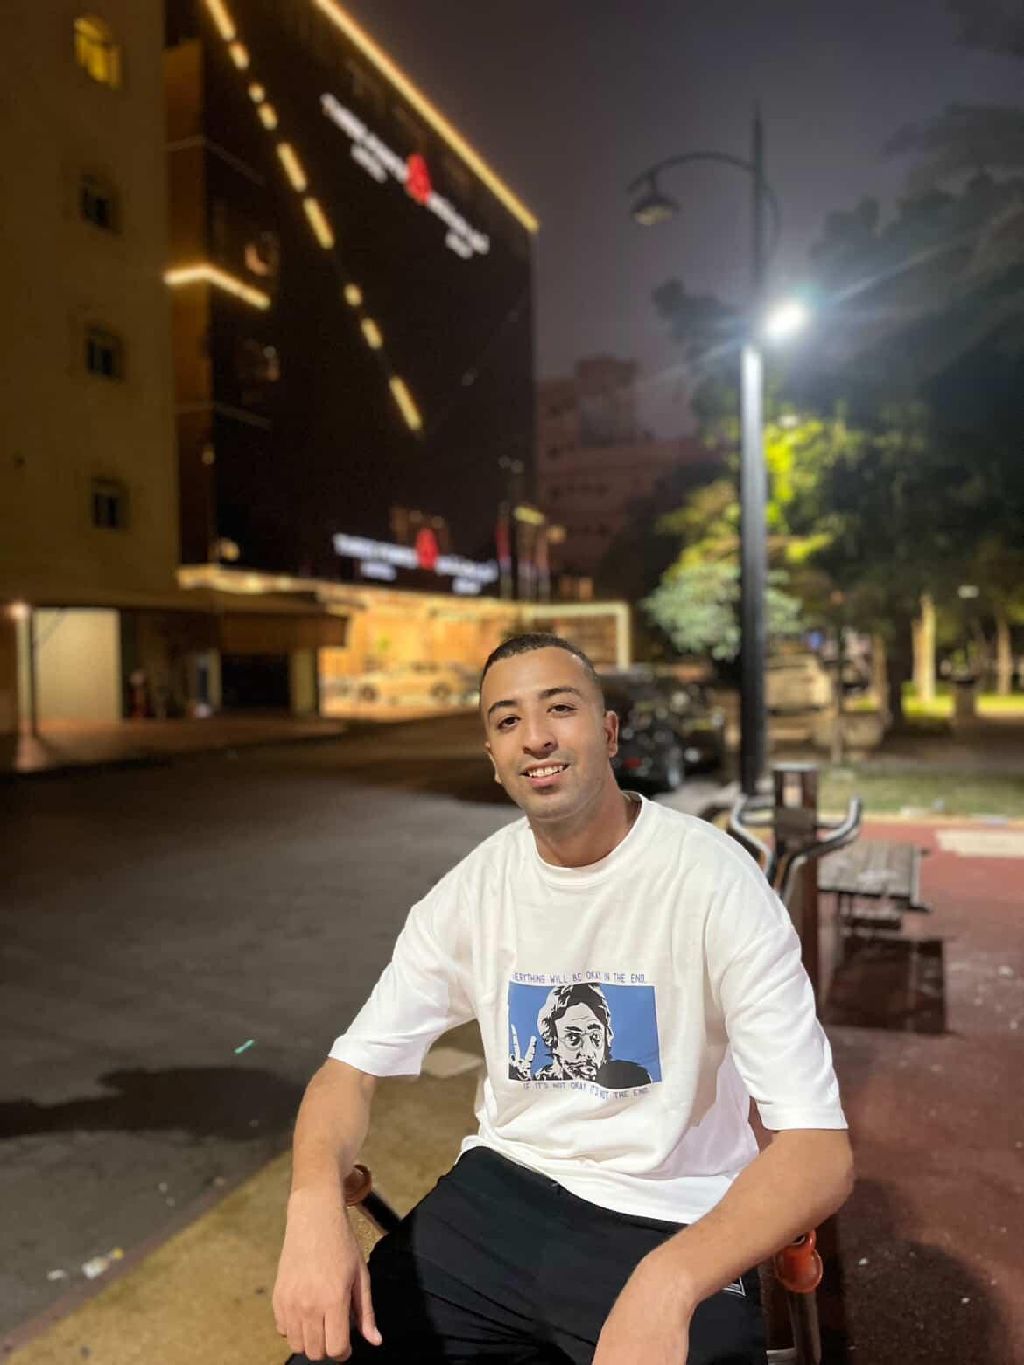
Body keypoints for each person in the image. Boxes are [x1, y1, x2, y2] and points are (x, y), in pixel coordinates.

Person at [273, 634, 853, 1364]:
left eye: (559, 708)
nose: (536, 737)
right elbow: (346, 1073)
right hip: (499, 1194)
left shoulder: (711, 880)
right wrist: (311, 1208)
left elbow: (818, 1148)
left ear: (608, 732)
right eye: (508, 720)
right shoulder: (473, 891)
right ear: (494, 757)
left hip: (673, 1215)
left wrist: (668, 1282)